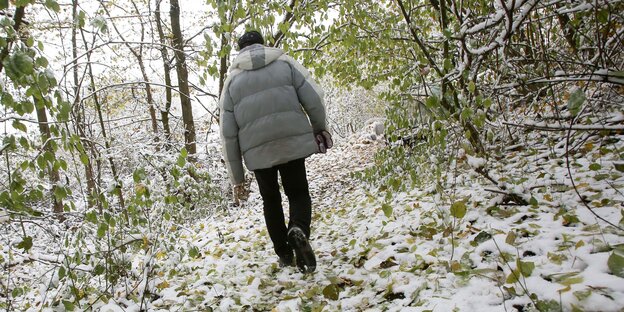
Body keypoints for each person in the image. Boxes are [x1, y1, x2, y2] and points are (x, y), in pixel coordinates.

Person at [219, 30, 332, 273]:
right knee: (298, 192)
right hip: (291, 142)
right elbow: (314, 97)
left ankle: (284, 254)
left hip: (258, 154)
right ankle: (298, 228)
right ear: (262, 45)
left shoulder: (231, 82)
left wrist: (237, 178)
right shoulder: (285, 63)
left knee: (271, 201)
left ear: (240, 51)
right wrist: (320, 128)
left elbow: (227, 134)